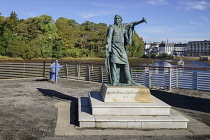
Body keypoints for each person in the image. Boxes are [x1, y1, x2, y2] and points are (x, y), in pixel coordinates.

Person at [105, 15, 147, 86]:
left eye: (118, 18)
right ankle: (114, 81)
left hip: (121, 48)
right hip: (114, 47)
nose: (116, 19)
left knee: (126, 64)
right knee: (113, 64)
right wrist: (108, 47)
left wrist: (141, 21)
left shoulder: (123, 26)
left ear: (121, 19)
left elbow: (132, 23)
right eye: (115, 18)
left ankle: (129, 80)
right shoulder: (112, 27)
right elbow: (109, 37)